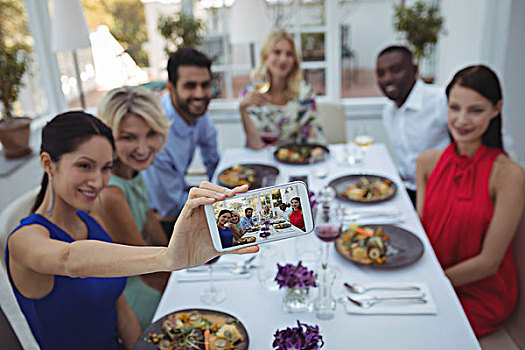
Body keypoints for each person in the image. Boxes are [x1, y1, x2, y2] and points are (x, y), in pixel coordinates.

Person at [4, 111, 257, 350]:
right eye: (84, 166)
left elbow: (122, 311)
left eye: (105, 168)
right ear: (48, 163)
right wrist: (169, 257)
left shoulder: (88, 221)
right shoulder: (24, 239)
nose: (98, 181)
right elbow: (69, 259)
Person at [416, 65, 525, 337]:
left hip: (480, 296)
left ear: (496, 109)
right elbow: (421, 234)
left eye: (475, 110)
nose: (462, 120)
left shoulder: (509, 175)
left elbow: (489, 262)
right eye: (454, 108)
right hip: (430, 282)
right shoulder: (427, 162)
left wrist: (431, 284)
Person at [95, 86, 170, 329]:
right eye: (128, 137)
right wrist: (186, 277)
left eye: (151, 134)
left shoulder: (132, 171)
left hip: (151, 271)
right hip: (130, 295)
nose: (143, 147)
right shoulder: (111, 193)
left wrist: (182, 262)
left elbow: (149, 221)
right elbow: (145, 269)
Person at [143, 48, 220, 233]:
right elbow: (169, 206)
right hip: (161, 220)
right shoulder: (155, 133)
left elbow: (212, 160)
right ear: (171, 88)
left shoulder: (195, 111)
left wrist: (221, 189)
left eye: (205, 84)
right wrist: (221, 201)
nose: (200, 94)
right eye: (190, 86)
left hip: (179, 194)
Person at [376, 45, 450, 205]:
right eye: (381, 73)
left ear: (415, 70)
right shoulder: (388, 112)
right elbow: (407, 163)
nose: (387, 78)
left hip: (444, 193)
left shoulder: (440, 100)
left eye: (396, 70)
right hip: (408, 191)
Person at [239, 29, 326, 149]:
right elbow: (256, 145)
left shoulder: (304, 94)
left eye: (289, 54)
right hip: (262, 161)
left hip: (294, 161)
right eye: (277, 52)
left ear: (294, 60)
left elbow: (315, 139)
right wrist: (242, 109)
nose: (283, 59)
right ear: (266, 56)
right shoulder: (251, 94)